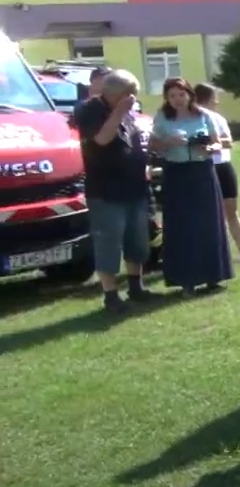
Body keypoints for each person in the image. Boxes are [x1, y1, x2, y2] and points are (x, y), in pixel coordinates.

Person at [74, 69, 156, 312]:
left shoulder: (128, 113)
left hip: (134, 186)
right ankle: (111, 295)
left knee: (137, 240)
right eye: (130, 95)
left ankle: (136, 287)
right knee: (109, 241)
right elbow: (101, 140)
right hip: (106, 191)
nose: (133, 100)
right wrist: (119, 112)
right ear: (118, 94)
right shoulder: (89, 110)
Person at [147, 77, 234, 295]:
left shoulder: (203, 116)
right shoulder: (163, 117)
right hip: (175, 173)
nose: (177, 99)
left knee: (208, 222)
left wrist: (210, 147)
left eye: (181, 94)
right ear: (167, 98)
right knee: (181, 226)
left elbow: (218, 141)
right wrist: (169, 142)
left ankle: (214, 275)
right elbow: (152, 145)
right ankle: (186, 279)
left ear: (189, 95)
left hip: (202, 171)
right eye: (172, 96)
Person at [193, 83, 240, 266]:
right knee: (207, 213)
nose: (217, 102)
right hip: (202, 168)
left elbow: (228, 141)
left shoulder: (216, 118)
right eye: (215, 98)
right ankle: (211, 254)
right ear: (208, 99)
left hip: (222, 166)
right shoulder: (190, 119)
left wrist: (212, 143)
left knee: (231, 211)